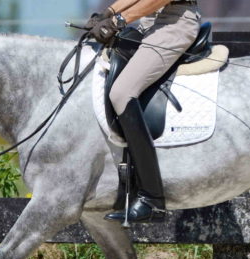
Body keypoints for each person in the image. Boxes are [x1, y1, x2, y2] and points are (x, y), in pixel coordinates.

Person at [86, 0, 202, 223]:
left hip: (174, 24)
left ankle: (152, 198)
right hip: (149, 24)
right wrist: (108, 12)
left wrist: (119, 20)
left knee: (122, 92)